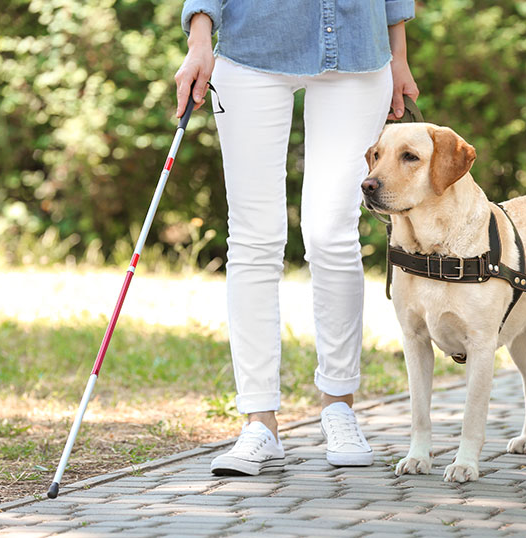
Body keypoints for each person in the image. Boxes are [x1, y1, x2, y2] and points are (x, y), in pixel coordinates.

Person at [175, 1, 419, 475]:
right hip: (252, 47)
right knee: (253, 238)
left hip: (358, 51)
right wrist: (198, 40)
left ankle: (339, 407)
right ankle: (258, 422)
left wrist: (399, 54)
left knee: (331, 233)